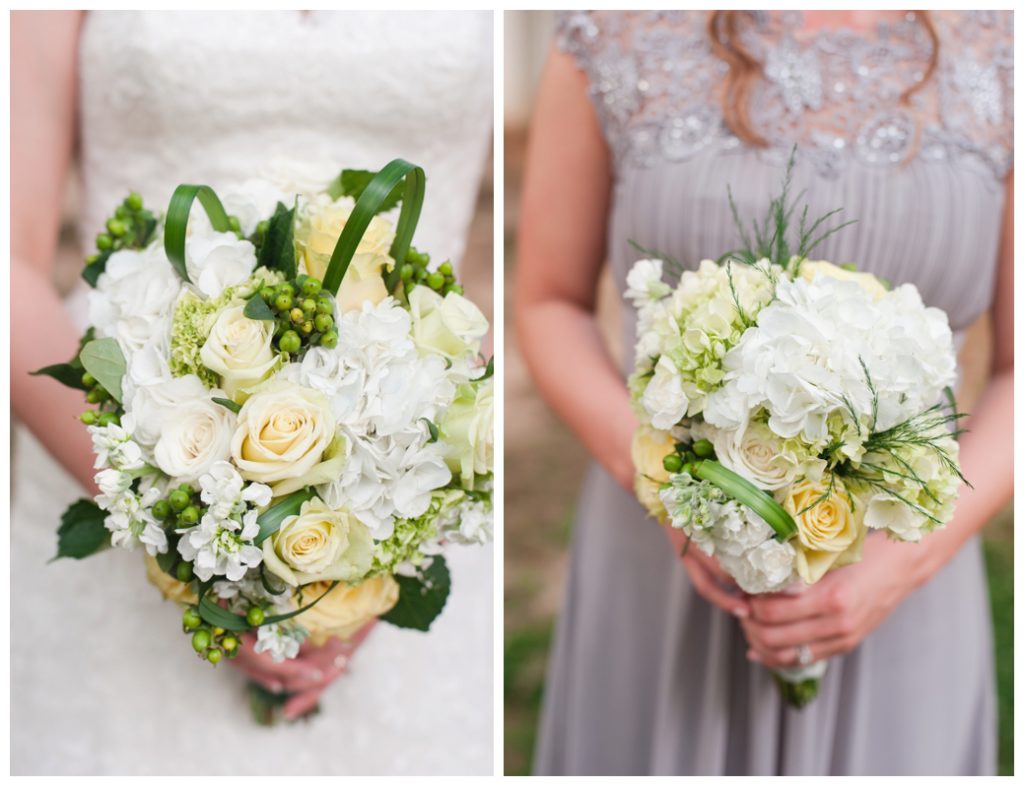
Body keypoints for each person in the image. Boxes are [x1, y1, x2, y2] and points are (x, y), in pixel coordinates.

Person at [516, 9, 1012, 776]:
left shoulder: (1003, 44)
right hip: (659, 561)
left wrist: (896, 569)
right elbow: (551, 303)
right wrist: (670, 490)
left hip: (904, 577)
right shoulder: (611, 28)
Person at [11, 10, 492, 775]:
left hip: (403, 470)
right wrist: (182, 534)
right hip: (105, 454)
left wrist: (381, 546)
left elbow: (457, 280)